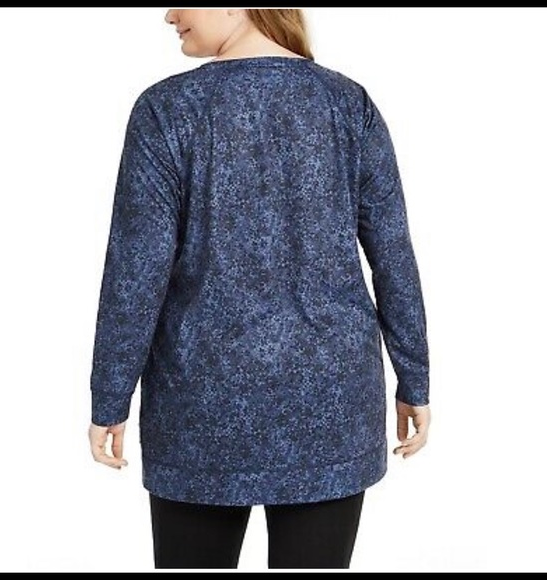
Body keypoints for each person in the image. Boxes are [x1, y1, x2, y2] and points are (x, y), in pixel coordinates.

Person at [88, 8, 431, 570]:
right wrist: (414, 377)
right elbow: (392, 255)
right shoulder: (348, 105)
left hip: (201, 407)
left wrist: (109, 394)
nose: (169, 15)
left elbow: (135, 273)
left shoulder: (167, 110)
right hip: (330, 403)